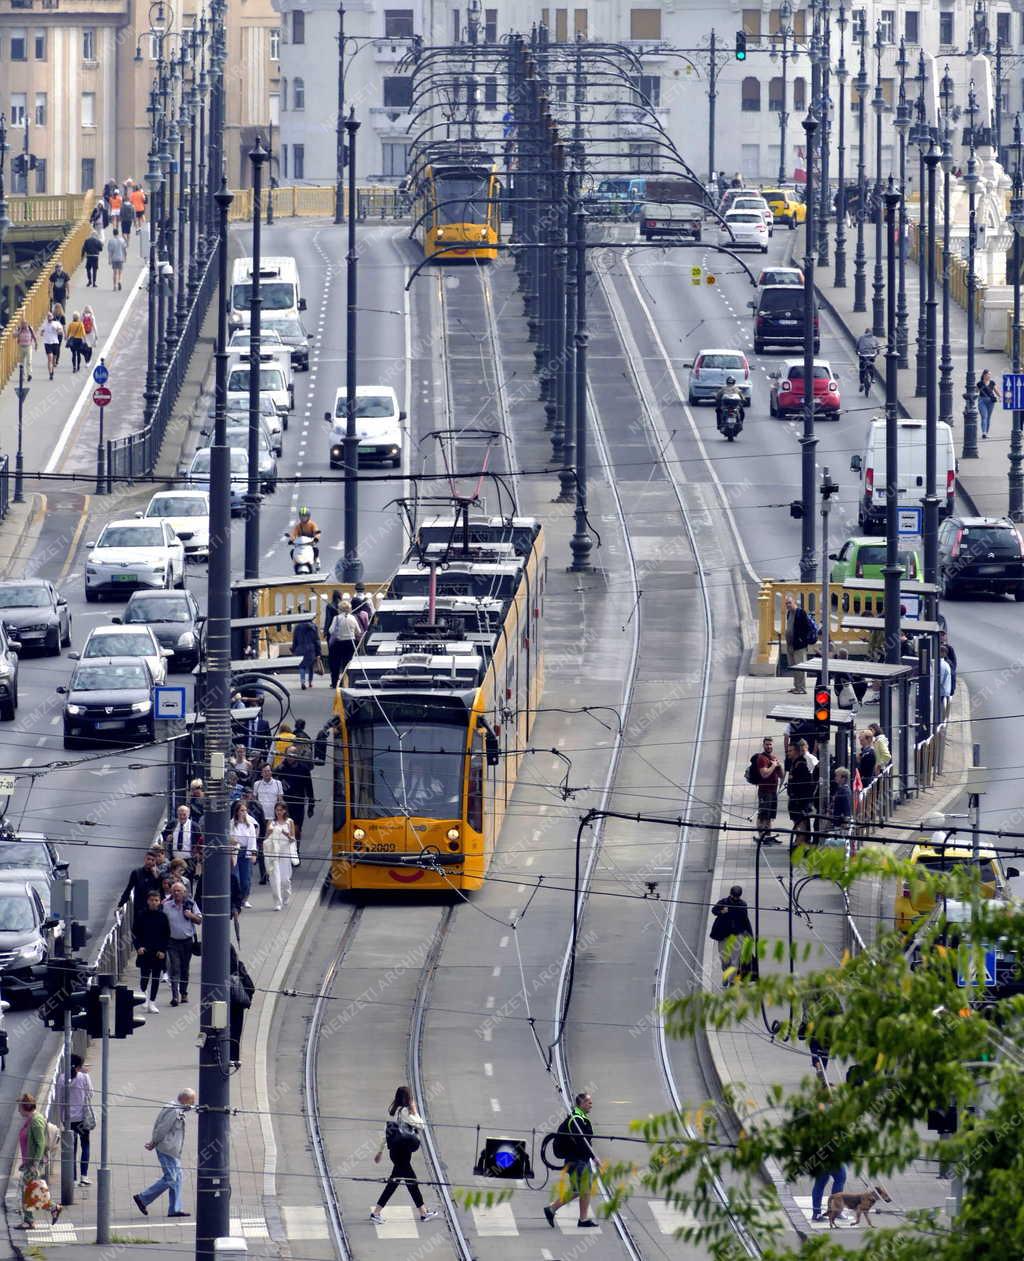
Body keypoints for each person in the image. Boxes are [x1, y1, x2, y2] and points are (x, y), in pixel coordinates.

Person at [370, 1086, 439, 1225]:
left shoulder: (398, 1112)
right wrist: (415, 1110)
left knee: (396, 1182)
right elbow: (421, 1125)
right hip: (401, 1154)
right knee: (410, 1181)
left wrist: (380, 1151)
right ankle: (423, 1213)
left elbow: (388, 1132)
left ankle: (422, 1212)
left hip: (397, 1153)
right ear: (408, 1098)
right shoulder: (406, 1112)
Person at [133, 1089, 196, 1218]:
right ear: (185, 1099)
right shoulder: (174, 1111)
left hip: (173, 1150)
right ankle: (142, 1198)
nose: (193, 1102)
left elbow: (187, 1109)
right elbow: (162, 1128)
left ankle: (175, 1209)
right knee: (171, 1179)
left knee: (177, 1178)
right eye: (192, 1100)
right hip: (167, 1149)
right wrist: (153, 1142)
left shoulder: (176, 1106)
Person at [543, 1092, 597, 1228]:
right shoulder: (576, 1119)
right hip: (577, 1160)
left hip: (581, 1159)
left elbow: (585, 1141)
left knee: (580, 1189)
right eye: (589, 1102)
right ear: (582, 1104)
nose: (591, 1105)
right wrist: (594, 1157)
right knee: (583, 1188)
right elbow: (582, 1142)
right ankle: (581, 1219)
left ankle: (552, 1209)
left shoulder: (580, 1117)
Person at [17, 1093, 59, 1229]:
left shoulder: (35, 1121)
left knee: (28, 1190)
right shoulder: (31, 1119)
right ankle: (48, 1210)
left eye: (20, 1107)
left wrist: (34, 1163)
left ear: (25, 1107)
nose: (18, 1109)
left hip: (34, 1163)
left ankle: (31, 1220)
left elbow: (40, 1144)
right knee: (33, 1190)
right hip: (29, 1162)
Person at [162, 882, 202, 1006]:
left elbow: (200, 920)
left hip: (187, 941)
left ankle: (184, 993)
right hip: (172, 941)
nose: (176, 893)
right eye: (174, 891)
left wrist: (190, 915)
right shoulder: (167, 906)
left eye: (179, 891)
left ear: (184, 893)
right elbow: (161, 921)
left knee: (185, 968)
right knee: (175, 968)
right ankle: (175, 996)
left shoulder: (190, 904)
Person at [59, 1055, 95, 1187]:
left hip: (68, 1119)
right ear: (79, 1066)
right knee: (85, 1145)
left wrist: (62, 1118)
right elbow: (91, 1094)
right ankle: (83, 1176)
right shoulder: (84, 1077)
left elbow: (59, 1099)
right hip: (82, 1117)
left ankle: (72, 1178)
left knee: (71, 1148)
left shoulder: (62, 1078)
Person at [709, 886, 754, 983]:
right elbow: (714, 910)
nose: (735, 898)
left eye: (737, 897)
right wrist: (722, 911)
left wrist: (749, 935)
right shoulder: (723, 902)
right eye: (734, 896)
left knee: (735, 961)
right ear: (730, 894)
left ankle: (729, 980)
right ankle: (726, 972)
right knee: (724, 960)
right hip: (723, 935)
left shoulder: (742, 905)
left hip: (737, 936)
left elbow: (745, 921)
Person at [135, 888, 170, 1011]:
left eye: (156, 900)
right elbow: (135, 933)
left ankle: (152, 1002)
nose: (154, 902)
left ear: (160, 901)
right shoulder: (141, 915)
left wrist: (163, 950)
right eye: (152, 900)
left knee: (156, 977)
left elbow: (166, 935)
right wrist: (138, 947)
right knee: (144, 976)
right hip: (145, 950)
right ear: (147, 901)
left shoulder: (163, 917)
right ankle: (143, 993)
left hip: (158, 952)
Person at [278, 746, 314, 846]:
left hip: (298, 803)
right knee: (285, 828)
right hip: (285, 803)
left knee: (296, 828)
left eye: (291, 755)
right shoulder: (282, 767)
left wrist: (311, 806)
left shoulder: (303, 769)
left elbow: (309, 788)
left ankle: (296, 849)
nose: (289, 758)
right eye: (287, 755)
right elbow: (275, 780)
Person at [751, 736, 784, 844]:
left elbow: (781, 775)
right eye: (767, 744)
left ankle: (768, 836)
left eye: (770, 744)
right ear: (763, 745)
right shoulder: (762, 758)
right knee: (763, 815)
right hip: (764, 791)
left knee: (770, 816)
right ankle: (761, 837)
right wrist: (773, 766)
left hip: (773, 791)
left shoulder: (773, 757)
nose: (769, 746)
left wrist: (779, 766)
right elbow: (764, 774)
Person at [118, 846, 164, 920]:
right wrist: (120, 904)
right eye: (148, 859)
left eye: (152, 860)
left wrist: (156, 876)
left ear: (155, 862)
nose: (150, 861)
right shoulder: (137, 873)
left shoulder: (159, 874)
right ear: (145, 859)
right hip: (139, 907)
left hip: (154, 907)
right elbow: (128, 889)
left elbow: (161, 891)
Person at [264, 801, 295, 910]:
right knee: (275, 879)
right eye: (277, 810)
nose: (279, 812)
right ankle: (277, 902)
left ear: (285, 810)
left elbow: (292, 839)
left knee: (285, 879)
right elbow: (266, 837)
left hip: (285, 852)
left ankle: (286, 894)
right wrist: (271, 831)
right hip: (274, 853)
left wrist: (284, 832)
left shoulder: (289, 822)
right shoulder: (271, 822)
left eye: (281, 810)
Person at [786, 738, 819, 843]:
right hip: (796, 801)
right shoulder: (794, 763)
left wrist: (799, 800)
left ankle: (800, 846)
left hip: (800, 803)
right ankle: (801, 843)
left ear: (796, 751)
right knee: (799, 825)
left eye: (790, 751)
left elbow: (804, 786)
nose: (788, 753)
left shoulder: (801, 765)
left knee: (801, 826)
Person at [228, 946, 255, 1067]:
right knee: (236, 1031)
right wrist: (247, 998)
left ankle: (222, 1055)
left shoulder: (215, 968)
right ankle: (234, 1058)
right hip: (238, 1004)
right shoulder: (239, 965)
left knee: (220, 1030)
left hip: (222, 1005)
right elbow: (250, 985)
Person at [230, 798, 258, 908]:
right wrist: (232, 840)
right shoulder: (231, 824)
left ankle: (245, 899)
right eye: (242, 810)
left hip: (246, 852)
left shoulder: (250, 825)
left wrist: (253, 854)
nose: (244, 813)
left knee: (245, 880)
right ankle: (237, 899)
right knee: (236, 878)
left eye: (245, 810)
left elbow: (253, 840)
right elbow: (227, 837)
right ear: (237, 812)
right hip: (235, 852)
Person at [783, 593, 814, 693]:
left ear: (794, 602)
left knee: (800, 667)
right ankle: (796, 686)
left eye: (789, 603)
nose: (788, 605)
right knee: (794, 667)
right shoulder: (789, 614)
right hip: (791, 645)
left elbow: (806, 628)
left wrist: (801, 639)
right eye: (786, 604)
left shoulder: (800, 613)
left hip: (799, 646)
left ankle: (801, 688)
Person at [327, 596, 360, 687]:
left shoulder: (336, 618)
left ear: (340, 609)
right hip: (350, 643)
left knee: (335, 664)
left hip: (338, 642)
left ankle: (334, 683)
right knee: (347, 664)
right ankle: (346, 682)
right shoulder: (352, 618)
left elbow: (331, 630)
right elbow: (358, 631)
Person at [164, 803, 202, 870]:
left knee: (188, 878)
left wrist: (197, 851)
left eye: (184, 814)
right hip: (174, 859)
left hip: (189, 860)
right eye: (180, 814)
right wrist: (167, 837)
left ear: (188, 814)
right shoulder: (172, 824)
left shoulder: (195, 826)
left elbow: (200, 840)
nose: (182, 817)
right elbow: (164, 834)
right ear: (177, 814)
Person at [291, 617, 321, 690]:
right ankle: (310, 682)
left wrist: (293, 649)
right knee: (311, 666)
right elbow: (317, 640)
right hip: (311, 648)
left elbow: (295, 639)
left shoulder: (297, 627)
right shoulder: (314, 627)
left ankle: (302, 682)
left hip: (300, 648)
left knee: (302, 666)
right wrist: (318, 652)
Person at [41, 311, 63, 379]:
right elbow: (41, 333)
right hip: (47, 343)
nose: (49, 317)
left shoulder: (56, 323)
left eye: (50, 316)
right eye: (48, 316)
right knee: (49, 358)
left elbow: (60, 332)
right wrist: (42, 333)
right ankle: (50, 374)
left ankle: (52, 369)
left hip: (55, 342)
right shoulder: (45, 324)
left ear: (52, 317)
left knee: (53, 359)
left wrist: (56, 330)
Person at [977, 369, 998, 438]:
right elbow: (975, 391)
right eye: (988, 374)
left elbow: (996, 391)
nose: (989, 376)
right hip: (982, 401)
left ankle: (986, 433)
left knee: (988, 417)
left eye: (990, 374)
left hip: (991, 402)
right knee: (984, 416)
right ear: (984, 375)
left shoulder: (992, 382)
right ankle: (984, 433)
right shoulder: (980, 383)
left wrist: (1001, 397)